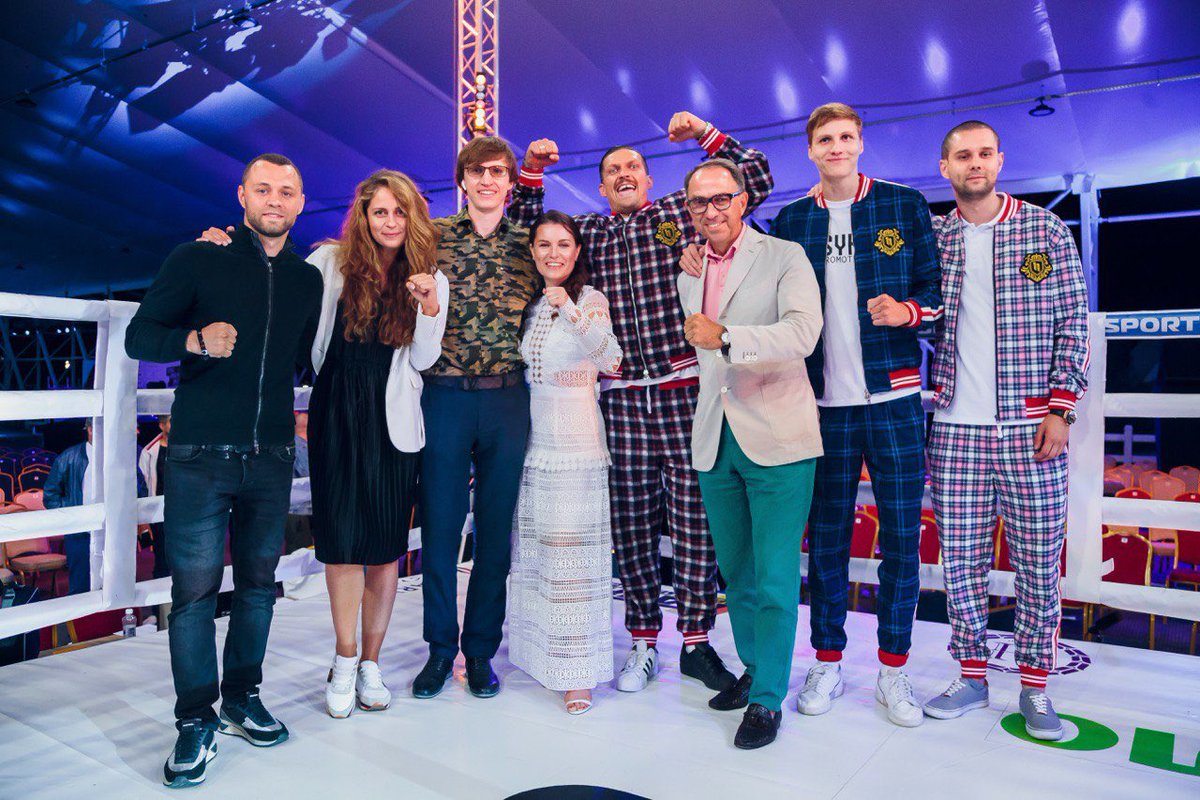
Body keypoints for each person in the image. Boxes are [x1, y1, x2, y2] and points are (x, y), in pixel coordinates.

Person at [510, 112, 774, 694]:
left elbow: (753, 176)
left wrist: (705, 134)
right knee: (630, 524)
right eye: (612, 170)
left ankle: (697, 642)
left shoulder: (680, 214)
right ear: (601, 186)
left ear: (650, 180)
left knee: (696, 522)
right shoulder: (590, 232)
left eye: (633, 166)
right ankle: (643, 642)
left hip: (684, 393)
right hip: (623, 400)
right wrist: (531, 171)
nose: (623, 173)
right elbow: (526, 228)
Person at [126, 153, 322, 789]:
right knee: (194, 594)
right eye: (263, 189)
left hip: (271, 456)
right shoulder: (197, 258)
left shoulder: (306, 279)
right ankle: (194, 719)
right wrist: (192, 340)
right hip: (200, 455)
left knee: (259, 587)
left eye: (286, 191)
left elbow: (309, 358)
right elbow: (139, 335)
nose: (274, 199)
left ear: (300, 203)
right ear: (242, 196)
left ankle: (242, 698)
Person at [768, 102, 942, 727]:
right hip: (822, 405)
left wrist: (909, 313)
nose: (836, 147)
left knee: (901, 538)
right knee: (827, 541)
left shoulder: (903, 204)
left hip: (894, 398)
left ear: (860, 143)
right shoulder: (792, 220)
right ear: (810, 150)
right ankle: (828, 661)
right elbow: (771, 301)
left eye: (845, 136)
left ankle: (894, 670)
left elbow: (937, 293)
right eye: (825, 139)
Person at [922, 121, 1089, 741]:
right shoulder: (932, 237)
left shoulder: (1045, 230)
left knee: (1039, 561)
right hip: (954, 428)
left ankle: (1036, 685)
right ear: (944, 167)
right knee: (961, 562)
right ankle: (971, 676)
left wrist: (1061, 407)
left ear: (1000, 160)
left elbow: (1074, 322)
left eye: (985, 153)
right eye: (963, 155)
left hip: (1031, 427)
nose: (975, 163)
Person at [677, 159, 823, 749]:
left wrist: (729, 336)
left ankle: (768, 699)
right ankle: (754, 670)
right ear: (689, 210)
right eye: (699, 202)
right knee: (735, 573)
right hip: (716, 437)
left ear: (742, 201)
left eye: (722, 199)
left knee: (775, 576)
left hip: (778, 435)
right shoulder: (689, 270)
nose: (711, 210)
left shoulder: (785, 255)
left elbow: (803, 333)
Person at [306, 170, 446, 718]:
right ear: (363, 216)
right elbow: (301, 325)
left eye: (399, 212)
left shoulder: (428, 276)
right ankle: (344, 659)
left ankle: (370, 662)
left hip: (394, 420)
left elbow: (425, 360)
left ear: (413, 218)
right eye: (380, 211)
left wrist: (429, 308)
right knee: (342, 545)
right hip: (336, 411)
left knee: (385, 549)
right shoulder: (330, 262)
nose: (390, 222)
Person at [412, 136, 540, 700]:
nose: (488, 180)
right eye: (477, 171)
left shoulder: (530, 243)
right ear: (462, 179)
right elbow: (374, 255)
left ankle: (481, 650)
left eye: (498, 172)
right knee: (440, 528)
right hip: (444, 396)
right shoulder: (432, 236)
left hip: (508, 398)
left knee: (495, 532)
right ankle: (440, 650)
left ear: (511, 182)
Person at [508, 211, 622, 715]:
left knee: (574, 558)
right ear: (532, 251)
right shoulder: (530, 304)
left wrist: (572, 310)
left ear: (577, 252)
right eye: (544, 244)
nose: (553, 253)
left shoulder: (590, 298)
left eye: (563, 244)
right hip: (534, 442)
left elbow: (612, 359)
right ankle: (543, 656)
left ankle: (578, 673)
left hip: (576, 444)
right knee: (539, 554)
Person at [45, 418, 148, 594]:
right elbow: (50, 495)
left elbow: (140, 489)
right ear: (90, 430)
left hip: (115, 532)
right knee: (81, 587)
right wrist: (73, 513)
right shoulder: (68, 458)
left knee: (118, 586)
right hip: (81, 534)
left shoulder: (121, 456)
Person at [138, 414, 171, 578]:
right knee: (162, 559)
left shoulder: (187, 448)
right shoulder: (148, 451)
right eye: (172, 421)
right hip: (159, 513)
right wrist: (143, 519)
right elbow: (143, 487)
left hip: (183, 511)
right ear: (162, 425)